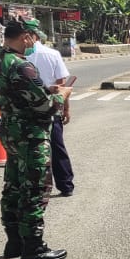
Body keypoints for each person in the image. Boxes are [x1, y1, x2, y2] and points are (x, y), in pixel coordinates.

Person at [0, 20, 70, 259]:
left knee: (13, 184)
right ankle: (33, 247)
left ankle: (14, 242)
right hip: (31, 133)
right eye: (33, 37)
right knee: (34, 188)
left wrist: (46, 90)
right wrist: (60, 95)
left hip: (10, 130)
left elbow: (19, 94)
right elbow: (46, 105)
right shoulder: (22, 65)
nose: (34, 42)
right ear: (25, 37)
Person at [24, 19, 75, 198]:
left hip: (26, 111)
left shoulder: (14, 57)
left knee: (30, 149)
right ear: (37, 35)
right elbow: (62, 86)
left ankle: (33, 188)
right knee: (56, 147)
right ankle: (66, 185)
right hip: (51, 109)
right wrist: (65, 109)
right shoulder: (52, 54)